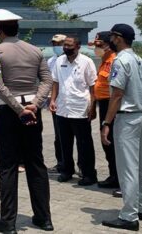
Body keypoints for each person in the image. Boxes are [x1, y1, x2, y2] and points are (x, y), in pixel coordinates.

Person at [0, 9, 54, 233]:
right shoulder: (35, 51)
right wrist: (35, 104)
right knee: (36, 163)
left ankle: (8, 222)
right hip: (33, 112)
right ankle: (44, 218)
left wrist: (19, 109)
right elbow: (47, 79)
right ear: (17, 29)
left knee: (8, 166)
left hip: (9, 113)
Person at [101, 24, 142, 231]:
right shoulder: (139, 59)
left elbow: (117, 94)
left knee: (127, 168)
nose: (109, 41)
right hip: (141, 115)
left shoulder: (120, 60)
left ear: (119, 38)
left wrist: (106, 122)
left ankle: (129, 216)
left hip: (127, 117)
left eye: (111, 37)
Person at [50, 36, 98, 186]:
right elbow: (55, 82)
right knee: (65, 143)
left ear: (77, 46)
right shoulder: (59, 61)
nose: (66, 47)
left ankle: (88, 174)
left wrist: (92, 106)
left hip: (80, 109)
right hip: (63, 109)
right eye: (65, 45)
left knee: (84, 144)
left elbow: (93, 86)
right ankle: (66, 170)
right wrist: (52, 100)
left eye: (69, 45)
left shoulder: (86, 62)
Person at [92, 31, 120, 189]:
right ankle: (113, 175)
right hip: (102, 104)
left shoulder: (114, 60)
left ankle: (118, 177)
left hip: (111, 105)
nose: (96, 48)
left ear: (109, 45)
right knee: (107, 144)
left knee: (111, 141)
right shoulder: (104, 60)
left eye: (99, 44)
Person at [47, 34, 67, 173]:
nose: (56, 47)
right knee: (58, 135)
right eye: (54, 44)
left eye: (59, 44)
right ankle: (61, 163)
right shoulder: (51, 61)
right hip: (57, 102)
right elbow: (50, 82)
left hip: (73, 103)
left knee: (77, 136)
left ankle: (80, 165)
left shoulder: (78, 59)